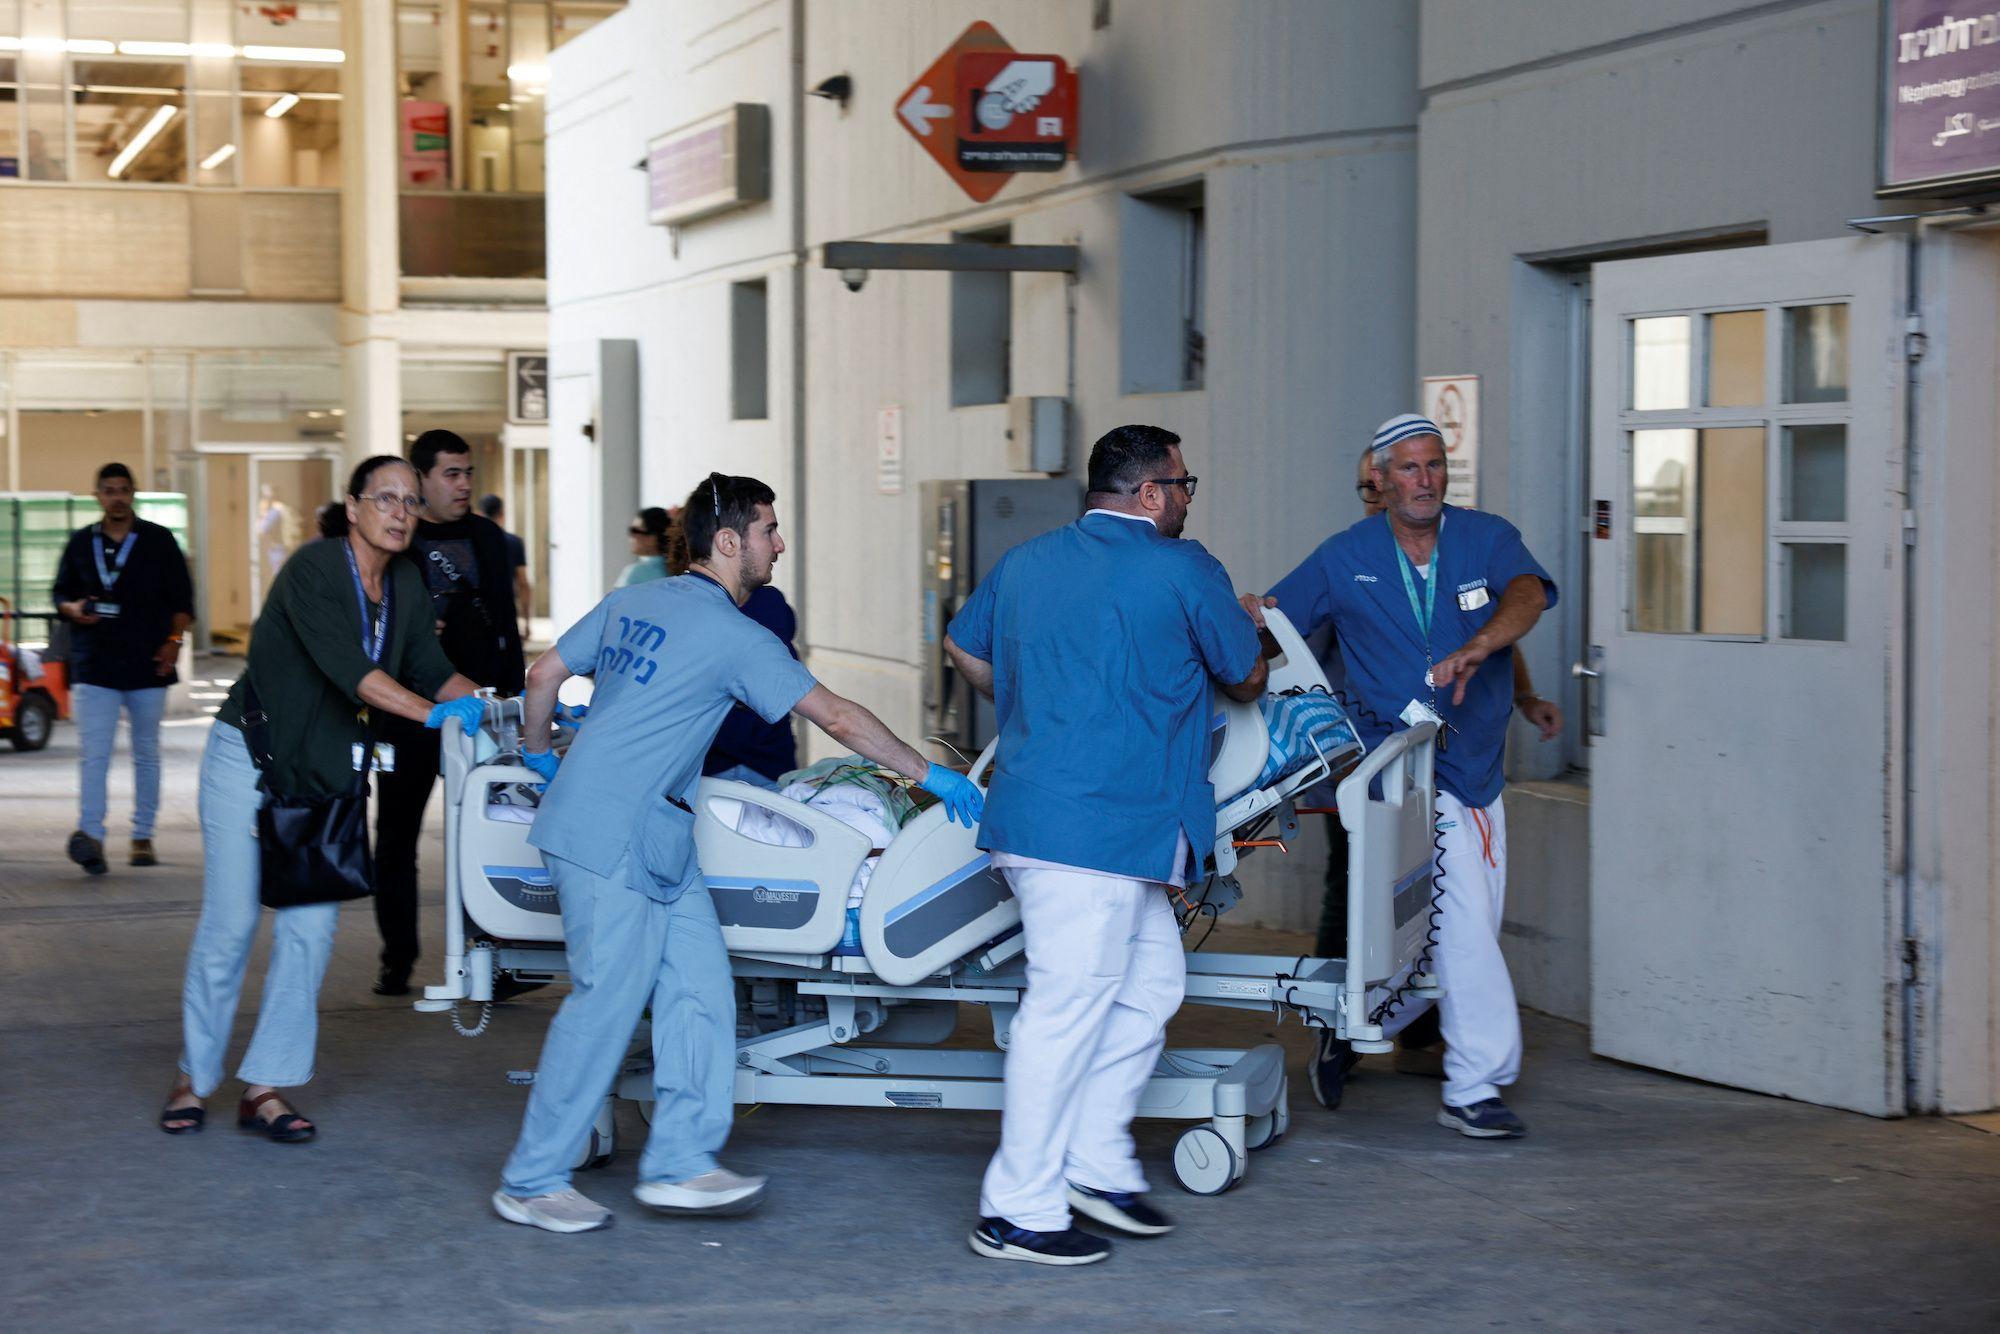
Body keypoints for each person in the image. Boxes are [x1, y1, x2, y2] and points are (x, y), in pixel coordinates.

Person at [491, 471, 982, 1234]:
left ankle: (681, 1163)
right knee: (606, 1004)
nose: (778, 545)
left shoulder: (633, 601)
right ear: (729, 542)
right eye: (768, 531)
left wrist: (540, 755)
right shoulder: (734, 635)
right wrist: (929, 774)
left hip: (655, 832)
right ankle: (530, 1179)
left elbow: (544, 674)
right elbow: (839, 719)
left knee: (698, 992)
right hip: (610, 833)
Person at [942, 425, 1268, 1267]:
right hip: (1095, 832)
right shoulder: (1184, 569)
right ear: (1153, 493)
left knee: (1152, 984)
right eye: (1185, 483)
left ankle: (1092, 1160)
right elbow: (1248, 676)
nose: (1190, 499)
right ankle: (1015, 1209)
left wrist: (1024, 702)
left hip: (1068, 823)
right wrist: (1249, 624)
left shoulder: (1025, 562)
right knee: (1064, 1013)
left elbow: (962, 646)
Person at [1243, 413, 1557, 1140]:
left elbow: (1529, 596)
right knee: (1464, 928)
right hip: (1400, 771)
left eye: (1435, 466)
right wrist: (1229, 620)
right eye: (1409, 469)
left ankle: (1355, 1025)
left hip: (1478, 767)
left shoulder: (1486, 537)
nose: (1425, 481)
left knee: (1458, 927)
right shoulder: (1342, 556)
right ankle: (1474, 1085)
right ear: (1379, 481)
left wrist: (1483, 653)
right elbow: (1273, 624)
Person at [159, 456, 482, 1140]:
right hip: (248, 762)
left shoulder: (405, 583)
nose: (400, 513)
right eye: (385, 499)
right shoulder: (313, 570)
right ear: (355, 506)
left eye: (409, 503)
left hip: (324, 779)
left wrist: (491, 705)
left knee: (309, 932)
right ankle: (193, 1076)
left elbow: (427, 663)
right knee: (232, 925)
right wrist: (433, 717)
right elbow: (356, 674)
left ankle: (265, 1088)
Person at [370, 431, 526, 996]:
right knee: (395, 839)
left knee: (486, 837)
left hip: (480, 715)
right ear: (422, 479)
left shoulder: (487, 537)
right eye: (451, 474)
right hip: (409, 715)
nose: (463, 485)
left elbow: (505, 624)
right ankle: (398, 957)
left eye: (467, 474)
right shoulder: (396, 540)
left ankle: (494, 962)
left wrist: (513, 706)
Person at [52, 462, 194, 874]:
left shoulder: (159, 541)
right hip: (94, 664)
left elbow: (183, 602)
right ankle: (90, 835)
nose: (116, 497)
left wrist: (173, 643)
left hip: (150, 664)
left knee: (146, 753)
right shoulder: (81, 543)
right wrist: (73, 608)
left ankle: (142, 835)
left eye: (123, 490)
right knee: (94, 755)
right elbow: (60, 594)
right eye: (108, 490)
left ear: (134, 493)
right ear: (97, 495)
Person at [478, 493, 533, 642]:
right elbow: (523, 584)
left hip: (477, 615)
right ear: (502, 514)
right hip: (505, 614)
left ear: (480, 514)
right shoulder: (513, 542)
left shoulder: (472, 542)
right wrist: (527, 622)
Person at [614, 507, 672, 587]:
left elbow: (618, 599)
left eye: (634, 531)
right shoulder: (681, 569)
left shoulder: (636, 572)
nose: (630, 536)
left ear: (652, 538)